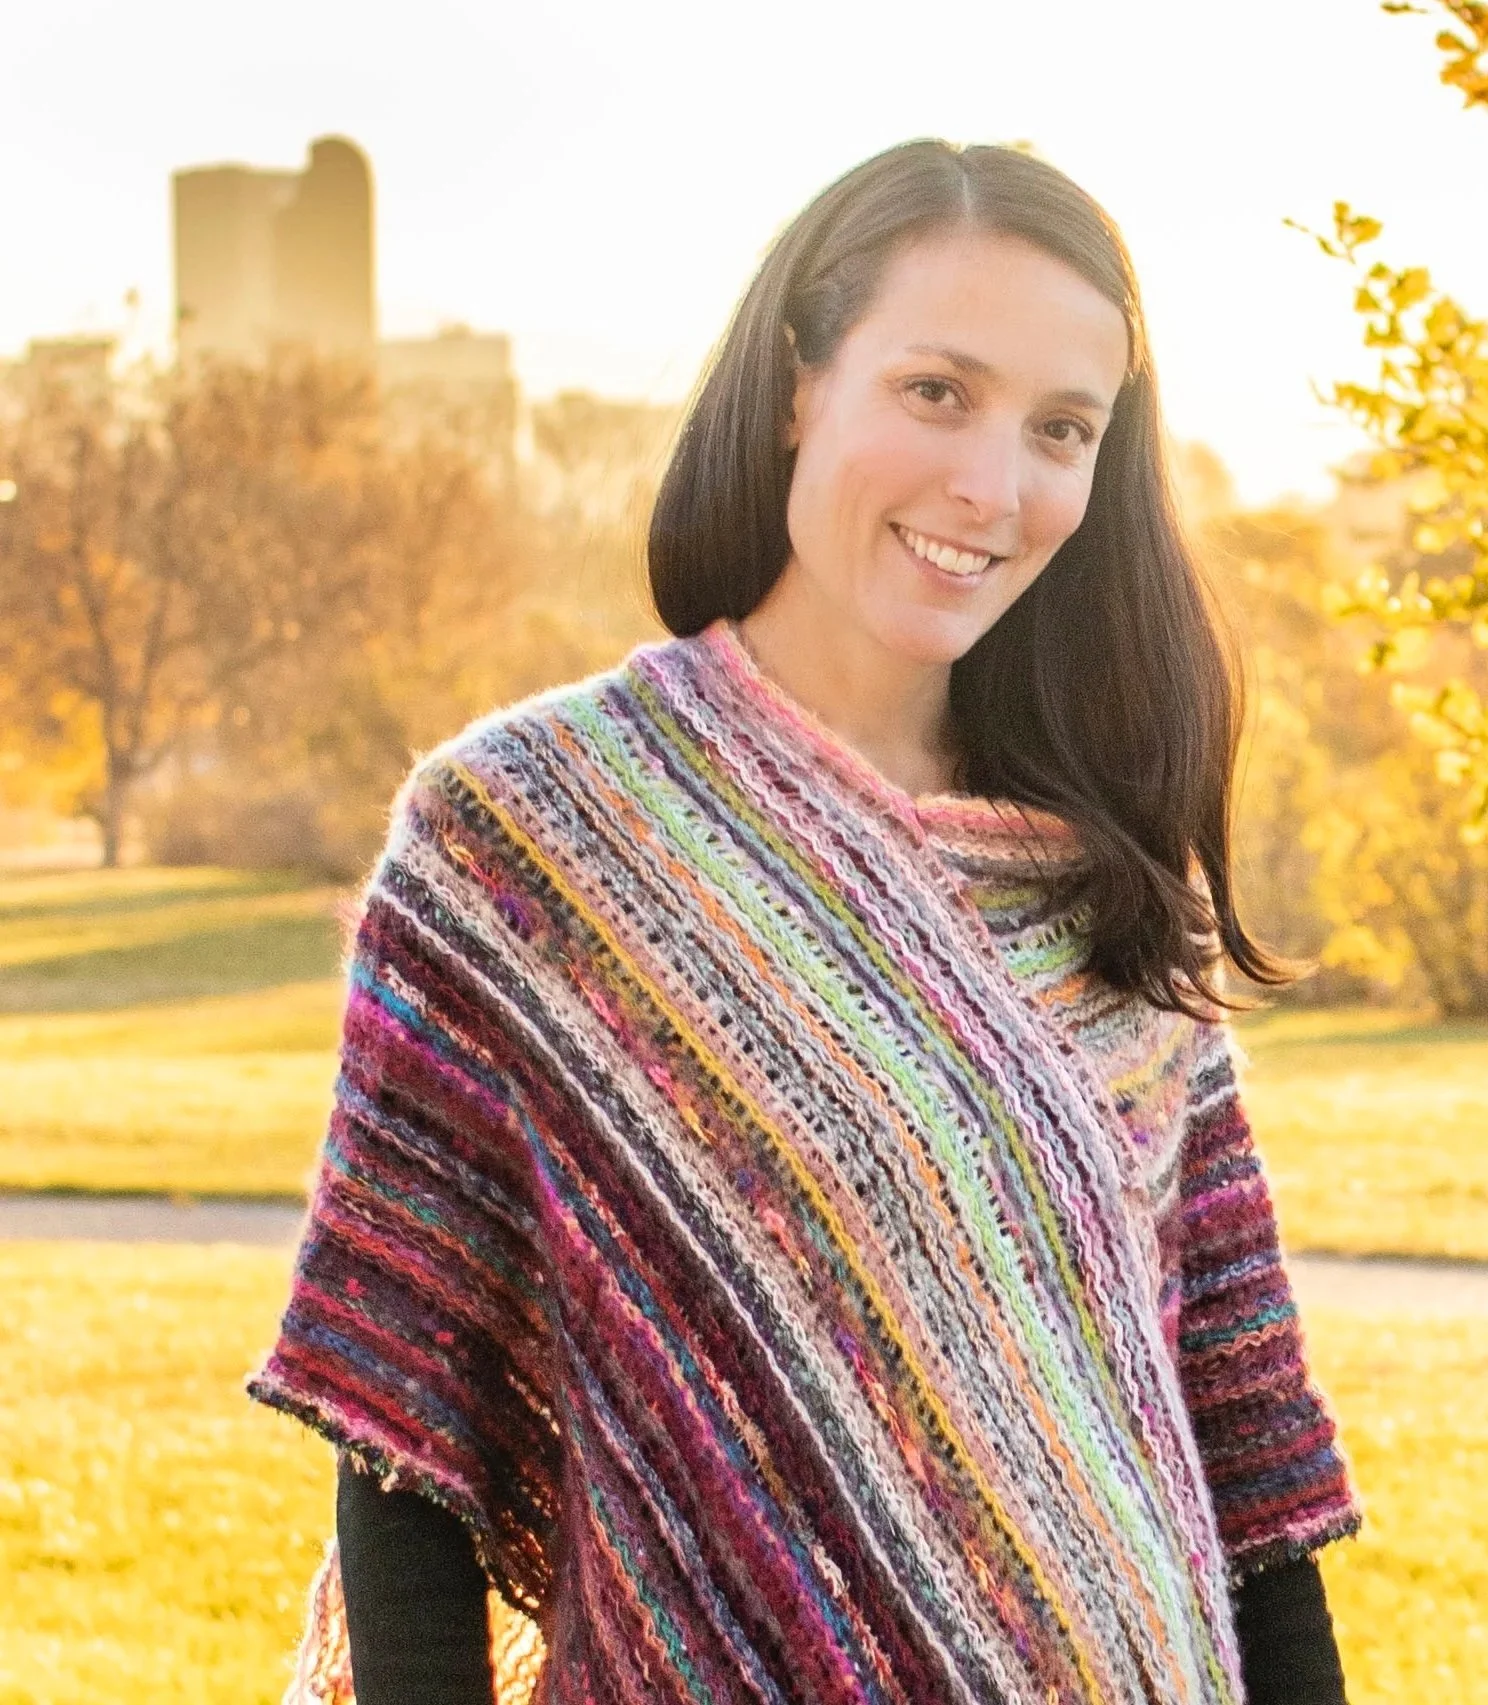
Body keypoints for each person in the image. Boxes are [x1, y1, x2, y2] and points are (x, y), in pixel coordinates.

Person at [249, 138, 1364, 1704]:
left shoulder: (1106, 874)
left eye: (1061, 429)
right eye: (936, 392)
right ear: (796, 384)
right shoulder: (523, 840)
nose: (993, 484)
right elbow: (406, 1443)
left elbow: (1246, 1471)